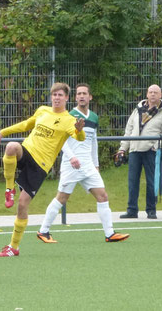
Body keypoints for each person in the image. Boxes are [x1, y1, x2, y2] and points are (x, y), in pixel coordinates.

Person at [0, 82, 85, 257]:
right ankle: (9, 188)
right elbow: (27, 124)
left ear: (66, 98)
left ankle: (14, 247)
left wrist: (79, 131)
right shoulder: (43, 110)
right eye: (54, 95)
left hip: (40, 165)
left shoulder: (69, 120)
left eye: (60, 95)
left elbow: (79, 137)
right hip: (27, 151)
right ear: (51, 97)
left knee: (22, 205)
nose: (56, 98)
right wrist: (3, 132)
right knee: (11, 146)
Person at [37, 83, 129, 243]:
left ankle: (110, 233)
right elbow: (61, 140)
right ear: (75, 98)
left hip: (87, 165)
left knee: (102, 195)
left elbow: (94, 143)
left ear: (90, 97)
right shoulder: (68, 116)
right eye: (78, 93)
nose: (81, 96)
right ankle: (43, 231)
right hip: (71, 165)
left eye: (84, 93)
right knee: (62, 198)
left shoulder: (93, 117)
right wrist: (72, 157)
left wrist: (96, 165)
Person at [117, 84, 162, 219]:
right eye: (150, 92)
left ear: (160, 95)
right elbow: (129, 130)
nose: (153, 94)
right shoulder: (137, 110)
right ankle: (132, 210)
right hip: (135, 150)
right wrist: (123, 148)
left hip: (151, 151)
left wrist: (157, 146)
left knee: (152, 181)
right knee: (132, 181)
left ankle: (151, 210)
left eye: (156, 92)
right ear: (147, 94)